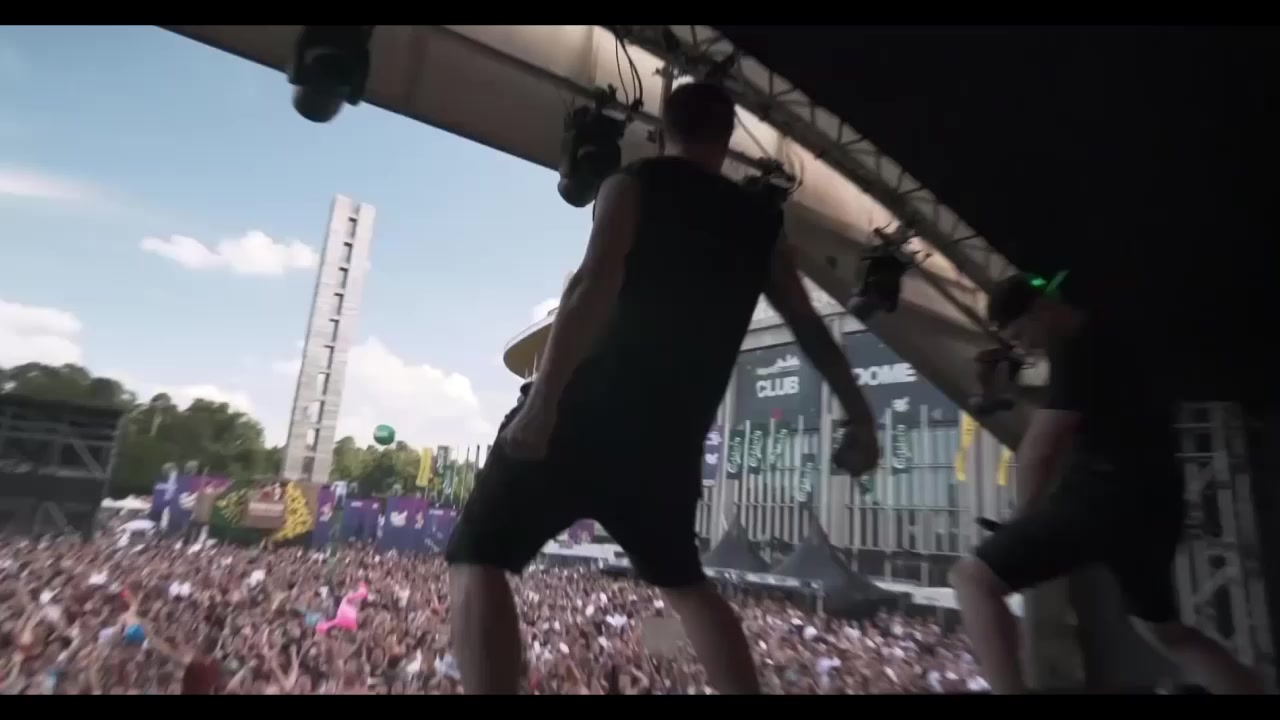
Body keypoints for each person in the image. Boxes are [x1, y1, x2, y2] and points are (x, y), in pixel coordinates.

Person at [445, 81, 881, 695]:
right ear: (727, 139)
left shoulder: (634, 183)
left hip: (580, 416)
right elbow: (810, 327)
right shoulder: (762, 224)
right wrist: (860, 414)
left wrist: (543, 404)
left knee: (477, 558)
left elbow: (593, 286)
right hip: (667, 447)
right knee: (687, 588)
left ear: (661, 130)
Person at [948, 274, 1263, 694]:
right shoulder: (1113, 334)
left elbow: (1038, 450)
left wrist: (1022, 521)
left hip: (1102, 497)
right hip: (1157, 501)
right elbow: (1087, 406)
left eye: (1021, 335)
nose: (1025, 348)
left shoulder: (1078, 352)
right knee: (1168, 633)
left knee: (973, 580)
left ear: (1041, 310)